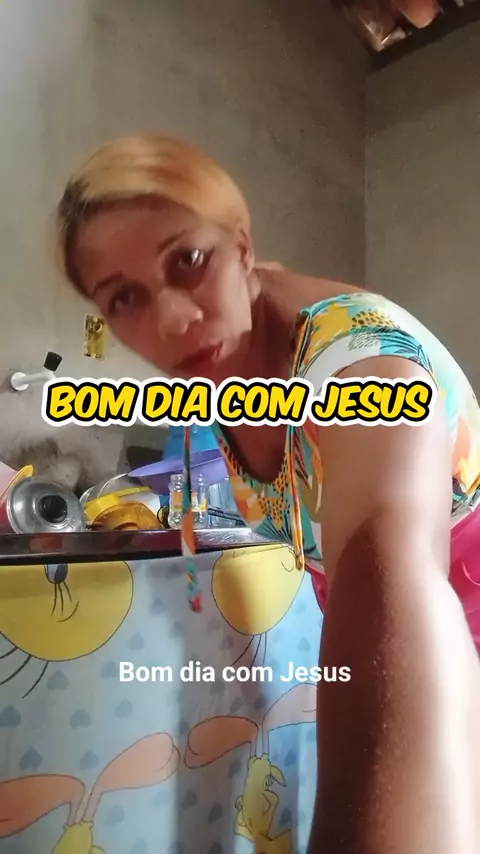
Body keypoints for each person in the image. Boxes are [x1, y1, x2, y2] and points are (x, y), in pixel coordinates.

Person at [55, 134, 480, 853]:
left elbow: (391, 578)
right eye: (125, 297)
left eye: (187, 261)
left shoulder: (363, 370)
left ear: (243, 245)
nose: (172, 320)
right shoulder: (225, 357)